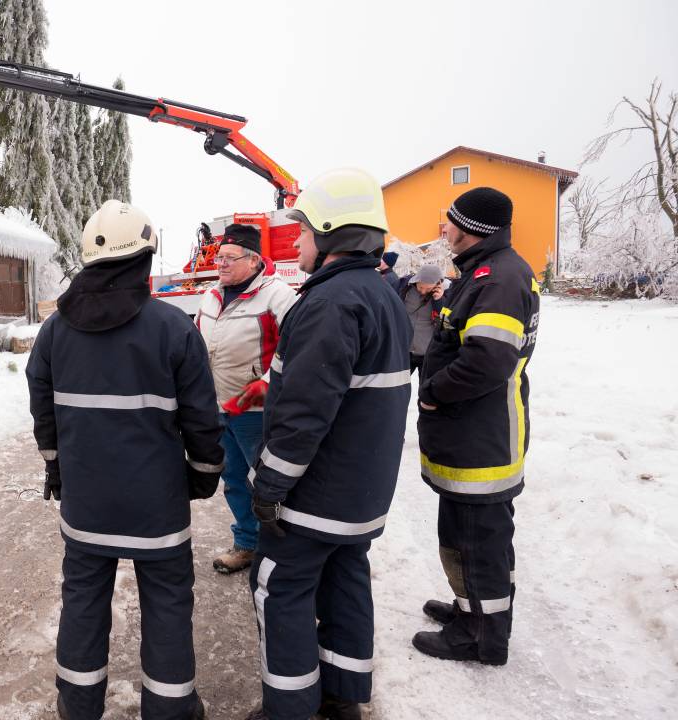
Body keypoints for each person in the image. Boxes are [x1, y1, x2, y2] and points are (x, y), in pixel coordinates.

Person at [27, 200, 225, 720]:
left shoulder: (54, 331)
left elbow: (43, 414)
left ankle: (78, 705)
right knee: (167, 606)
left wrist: (57, 470)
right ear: (143, 258)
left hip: (86, 504)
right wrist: (204, 474)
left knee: (83, 603)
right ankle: (171, 709)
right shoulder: (174, 328)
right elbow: (202, 418)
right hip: (157, 508)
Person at [243, 168, 412, 720]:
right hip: (361, 492)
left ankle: (289, 710)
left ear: (332, 233)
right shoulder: (381, 294)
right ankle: (343, 699)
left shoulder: (329, 302)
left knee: (280, 588)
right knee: (345, 582)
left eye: (305, 230)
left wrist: (269, 484)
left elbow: (303, 414)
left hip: (317, 494)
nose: (297, 241)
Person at [414, 187, 539, 667]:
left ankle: (481, 637)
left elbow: (487, 360)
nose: (443, 228)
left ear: (472, 229)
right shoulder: (486, 270)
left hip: (481, 440)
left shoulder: (498, 278)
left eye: (449, 221)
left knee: (476, 542)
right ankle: (472, 610)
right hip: (472, 434)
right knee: (469, 539)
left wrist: (433, 391)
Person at [194, 224, 297, 574]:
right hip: (219, 406)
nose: (220, 263)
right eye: (219, 257)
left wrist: (267, 384)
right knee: (234, 479)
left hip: (257, 410)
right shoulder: (212, 295)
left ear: (253, 261)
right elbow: (197, 342)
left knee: (270, 482)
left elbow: (296, 348)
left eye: (229, 257)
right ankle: (248, 544)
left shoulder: (278, 296)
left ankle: (286, 550)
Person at [396, 264, 445, 375]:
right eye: (421, 287)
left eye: (428, 289)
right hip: (405, 350)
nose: (423, 291)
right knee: (399, 383)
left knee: (426, 385)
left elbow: (446, 325)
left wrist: (439, 301)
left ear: (437, 285)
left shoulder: (446, 295)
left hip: (428, 353)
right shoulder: (405, 288)